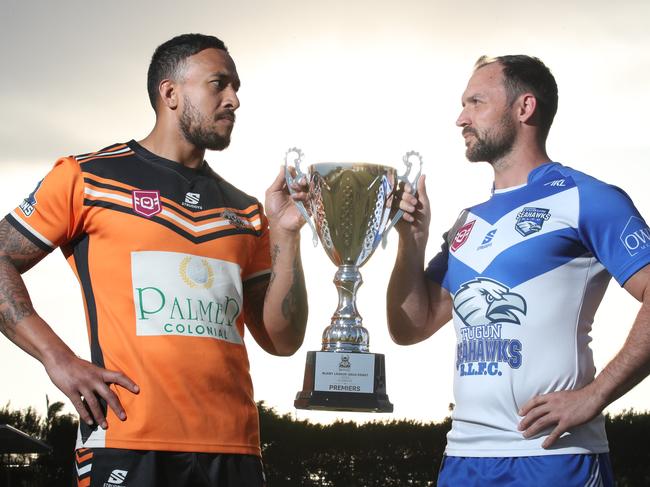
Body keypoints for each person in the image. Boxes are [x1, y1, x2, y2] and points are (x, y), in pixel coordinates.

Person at [0, 33, 309, 487]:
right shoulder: (87, 177)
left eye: (237, 87)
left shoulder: (246, 212)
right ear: (170, 94)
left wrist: (285, 233)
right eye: (219, 84)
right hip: (126, 439)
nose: (235, 100)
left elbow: (282, 340)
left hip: (233, 448)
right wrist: (58, 358)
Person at [387, 54, 650, 486]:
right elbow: (409, 326)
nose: (460, 118)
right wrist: (411, 243)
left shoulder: (589, 198)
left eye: (476, 102)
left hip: (554, 456)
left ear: (524, 108)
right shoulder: (465, 223)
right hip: (464, 457)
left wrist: (595, 395)